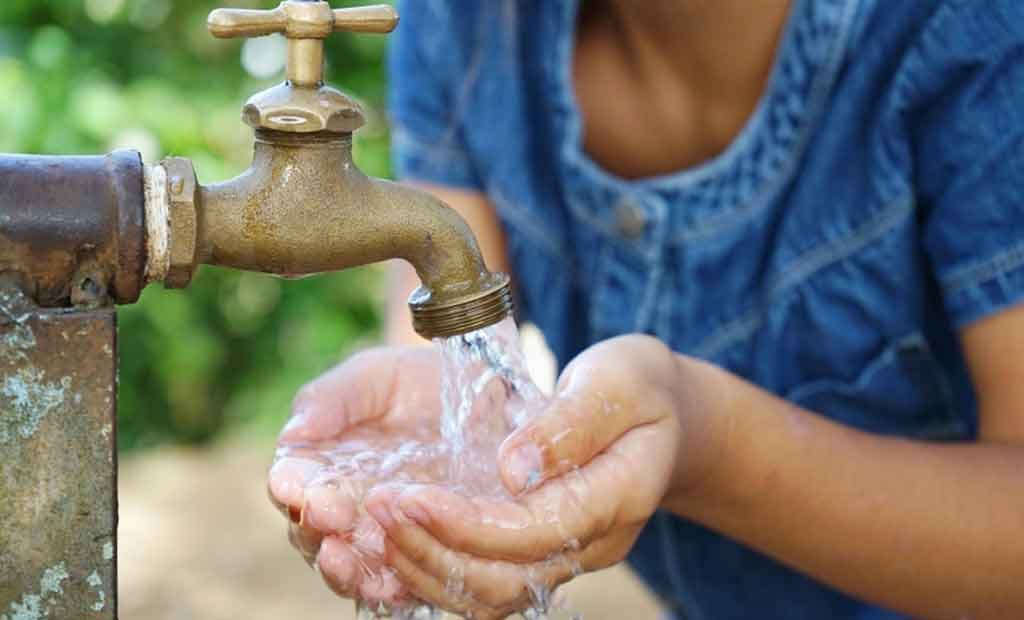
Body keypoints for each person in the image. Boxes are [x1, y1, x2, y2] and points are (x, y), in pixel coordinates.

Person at [269, 0, 1024, 618]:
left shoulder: (971, 38)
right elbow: (448, 311)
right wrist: (422, 465)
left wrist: (706, 444)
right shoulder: (464, 23)